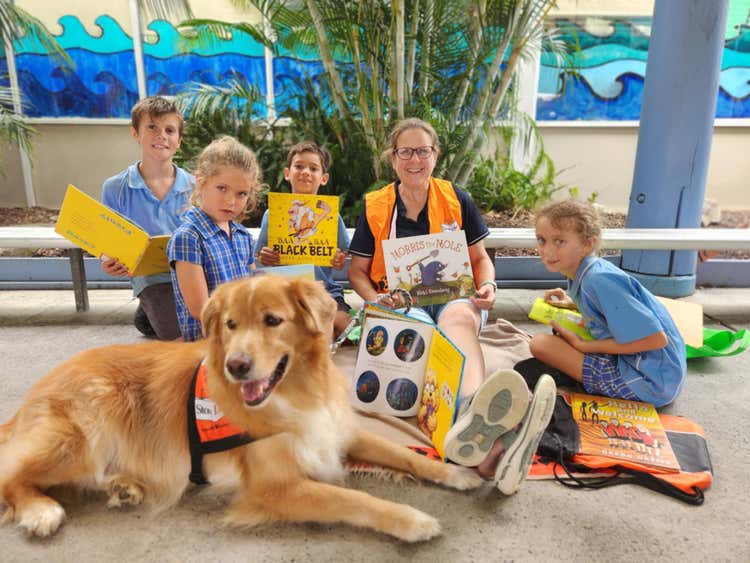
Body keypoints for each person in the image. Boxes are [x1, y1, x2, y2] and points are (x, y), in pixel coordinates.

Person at [347, 117, 556, 494]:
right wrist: (374, 299)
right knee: (413, 333)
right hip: (400, 302)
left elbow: (480, 260)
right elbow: (357, 272)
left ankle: (473, 406)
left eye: (422, 151)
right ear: (393, 159)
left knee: (458, 318)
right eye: (405, 152)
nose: (415, 159)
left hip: (454, 296)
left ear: (435, 155)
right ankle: (494, 446)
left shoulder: (457, 199)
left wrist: (489, 285)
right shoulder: (375, 206)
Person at [529, 199, 686, 408]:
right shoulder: (587, 271)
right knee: (560, 333)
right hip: (657, 372)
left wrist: (584, 346)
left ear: (588, 243)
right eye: (542, 240)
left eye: (559, 241)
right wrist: (571, 304)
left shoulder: (598, 280)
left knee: (540, 344)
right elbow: (609, 313)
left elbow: (656, 340)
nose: (547, 250)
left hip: (650, 383)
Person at [101, 96, 194, 340]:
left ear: (179, 140)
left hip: (193, 273)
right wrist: (108, 259)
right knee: (180, 338)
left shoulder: (197, 187)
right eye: (152, 127)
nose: (161, 135)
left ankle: (146, 316)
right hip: (150, 279)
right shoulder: (115, 188)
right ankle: (151, 308)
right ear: (135, 133)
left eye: (170, 130)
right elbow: (106, 244)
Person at [167, 136, 262, 341]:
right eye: (222, 188)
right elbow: (201, 309)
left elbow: (255, 289)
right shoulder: (188, 238)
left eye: (241, 194)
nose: (231, 201)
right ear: (201, 181)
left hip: (245, 336)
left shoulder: (242, 236)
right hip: (209, 345)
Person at [255, 141, 351, 337]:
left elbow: (343, 256)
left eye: (313, 168)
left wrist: (339, 259)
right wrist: (265, 257)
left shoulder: (333, 217)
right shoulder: (272, 214)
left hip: (324, 291)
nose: (305, 171)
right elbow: (260, 255)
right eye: (299, 166)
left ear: (323, 178)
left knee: (342, 323)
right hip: (284, 290)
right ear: (287, 173)